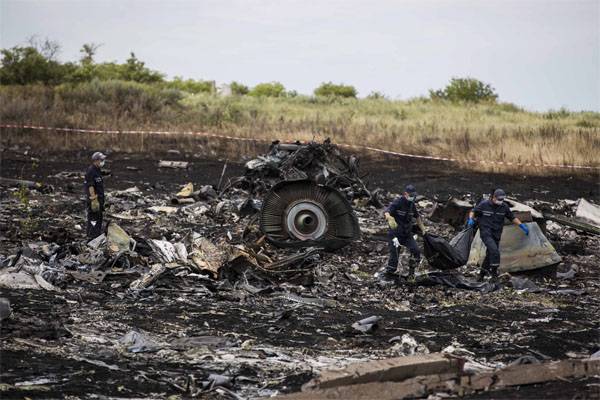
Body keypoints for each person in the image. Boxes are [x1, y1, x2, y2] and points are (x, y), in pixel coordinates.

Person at [467, 188, 529, 283]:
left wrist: (521, 225)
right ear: (493, 197)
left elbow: (512, 217)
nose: (501, 201)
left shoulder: (504, 207)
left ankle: (481, 275)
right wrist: (471, 219)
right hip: (486, 232)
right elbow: (473, 211)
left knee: (489, 255)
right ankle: (494, 274)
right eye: (499, 199)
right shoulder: (484, 205)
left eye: (502, 200)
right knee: (494, 251)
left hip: (497, 233)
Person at [382, 184, 426, 282]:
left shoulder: (411, 204)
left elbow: (417, 216)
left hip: (407, 234)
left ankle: (411, 272)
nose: (413, 197)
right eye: (411, 195)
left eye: (414, 196)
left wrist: (423, 228)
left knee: (416, 251)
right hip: (395, 234)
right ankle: (389, 275)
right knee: (394, 255)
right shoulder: (398, 202)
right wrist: (389, 218)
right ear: (405, 194)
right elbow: (387, 211)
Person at [84, 152, 107, 239]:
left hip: (99, 201)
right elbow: (90, 186)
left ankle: (96, 236)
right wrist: (94, 200)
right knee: (93, 220)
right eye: (101, 160)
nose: (103, 162)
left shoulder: (98, 170)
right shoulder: (91, 171)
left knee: (98, 219)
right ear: (96, 160)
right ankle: (91, 238)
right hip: (94, 201)